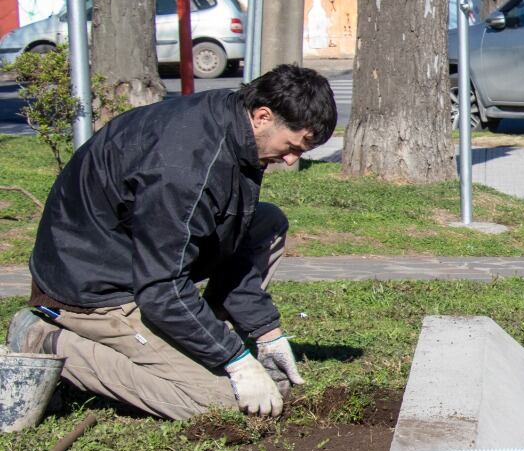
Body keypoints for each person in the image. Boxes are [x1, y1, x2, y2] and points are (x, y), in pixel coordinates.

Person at [7, 65, 338, 422]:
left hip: (134, 257)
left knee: (266, 223)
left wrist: (265, 331)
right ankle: (45, 340)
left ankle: (198, 335)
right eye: (292, 146)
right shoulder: (186, 168)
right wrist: (236, 361)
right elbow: (161, 286)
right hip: (90, 287)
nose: (291, 160)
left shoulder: (231, 122)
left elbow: (233, 236)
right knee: (221, 402)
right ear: (262, 116)